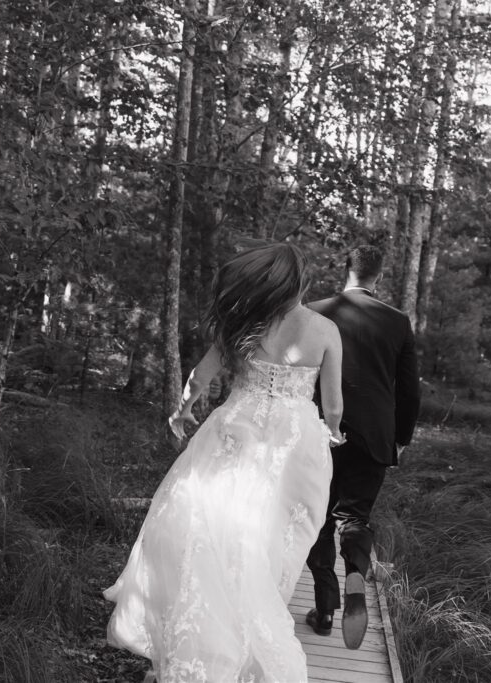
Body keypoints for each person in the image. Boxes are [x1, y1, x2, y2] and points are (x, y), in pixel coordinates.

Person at [103, 243, 344, 683]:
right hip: (293, 446)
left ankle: (205, 640)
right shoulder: (325, 329)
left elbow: (199, 376)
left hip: (237, 430)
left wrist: (183, 409)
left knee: (213, 527)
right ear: (300, 282)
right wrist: (334, 432)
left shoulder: (242, 324)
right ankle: (246, 638)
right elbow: (333, 405)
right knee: (272, 540)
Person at [305, 245, 421, 650]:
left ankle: (324, 609)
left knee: (317, 515)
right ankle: (355, 566)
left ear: (346, 270)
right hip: (374, 434)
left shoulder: (316, 310)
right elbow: (409, 391)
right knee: (353, 515)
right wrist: (400, 438)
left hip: (319, 428)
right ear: (380, 277)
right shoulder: (397, 321)